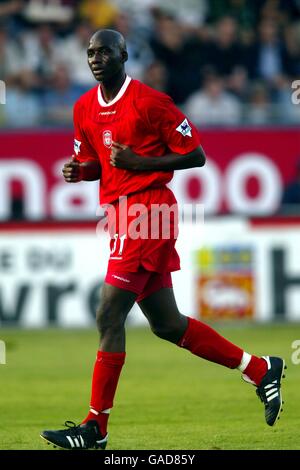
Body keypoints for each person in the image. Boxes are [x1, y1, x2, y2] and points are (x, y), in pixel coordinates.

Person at [40, 29, 286, 450]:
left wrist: (143, 161)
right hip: (120, 214)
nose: (95, 59)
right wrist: (80, 172)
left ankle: (95, 427)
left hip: (148, 210)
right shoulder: (83, 108)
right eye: (90, 53)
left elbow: (197, 154)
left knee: (108, 314)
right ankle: (260, 368)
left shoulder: (150, 102)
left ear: (124, 55)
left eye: (104, 52)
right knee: (167, 325)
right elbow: (96, 162)